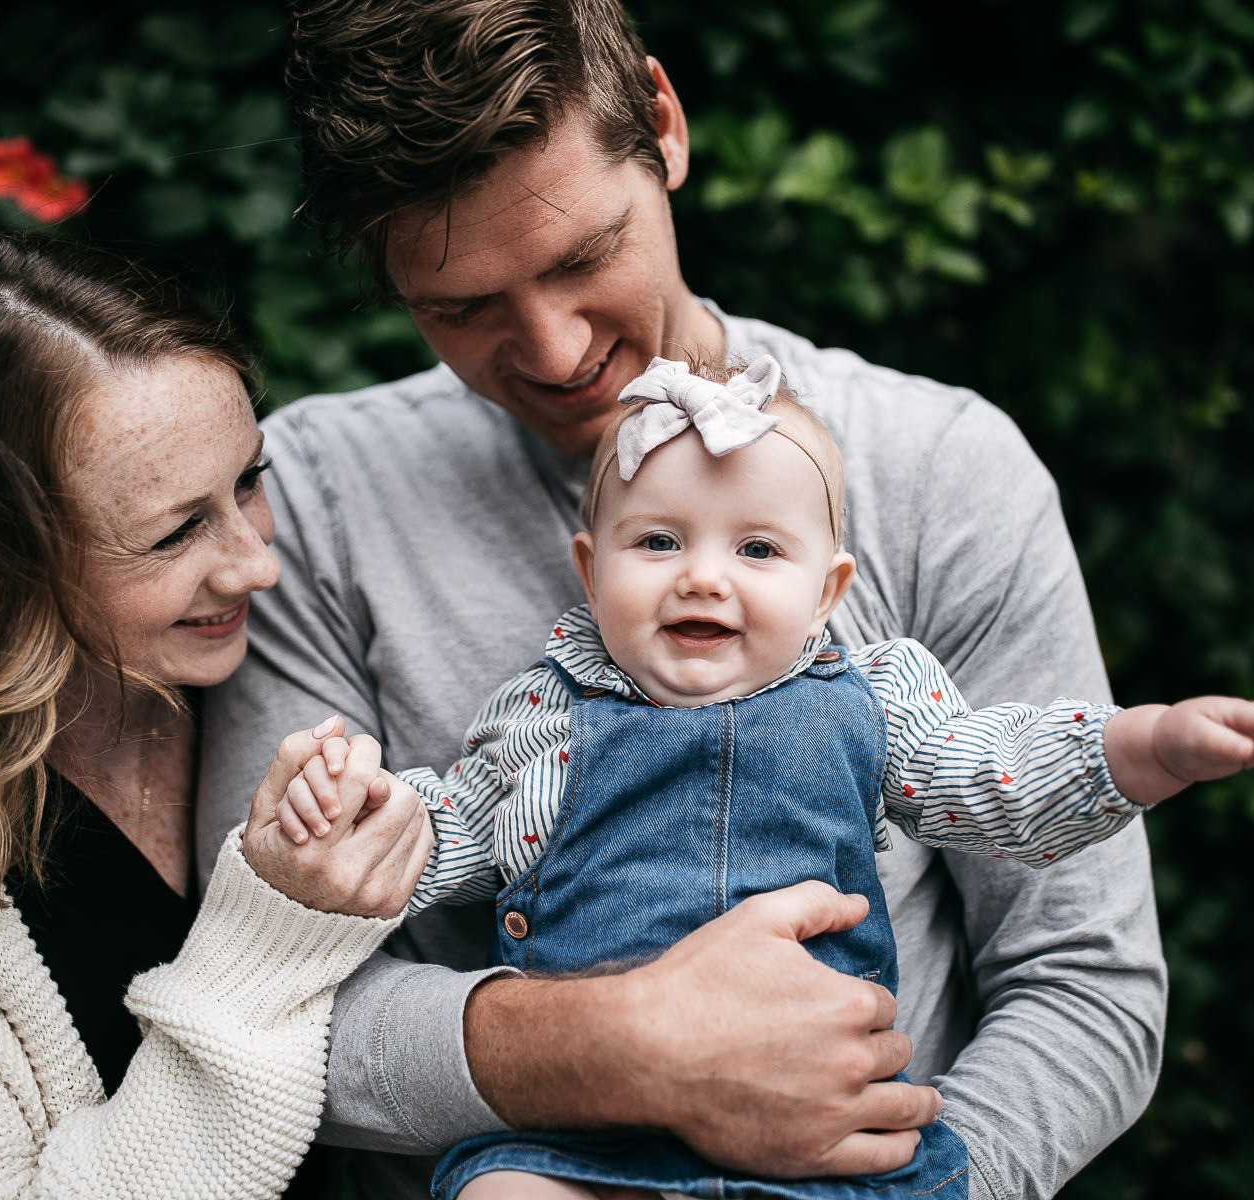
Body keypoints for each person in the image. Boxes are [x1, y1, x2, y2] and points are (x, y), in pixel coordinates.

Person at [197, 3, 1171, 1197]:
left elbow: (1084, 981)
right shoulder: (309, 505)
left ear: (661, 126)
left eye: (581, 257)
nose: (553, 352)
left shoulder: (942, 469)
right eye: (460, 308)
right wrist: (630, 1049)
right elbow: (255, 1002)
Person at [274, 356, 1254, 1199]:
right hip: (575, 1136)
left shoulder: (873, 698)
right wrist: (358, 828)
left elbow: (990, 776)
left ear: (830, 589)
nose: (702, 574)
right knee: (498, 1192)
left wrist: (1142, 747)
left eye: (756, 551)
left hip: (820, 1140)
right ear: (590, 570)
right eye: (657, 541)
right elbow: (455, 832)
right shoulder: (545, 713)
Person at [0, 231, 433, 1199]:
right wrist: (270, 939)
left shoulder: (271, 655)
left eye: (248, 482)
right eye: (175, 531)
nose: (256, 565)